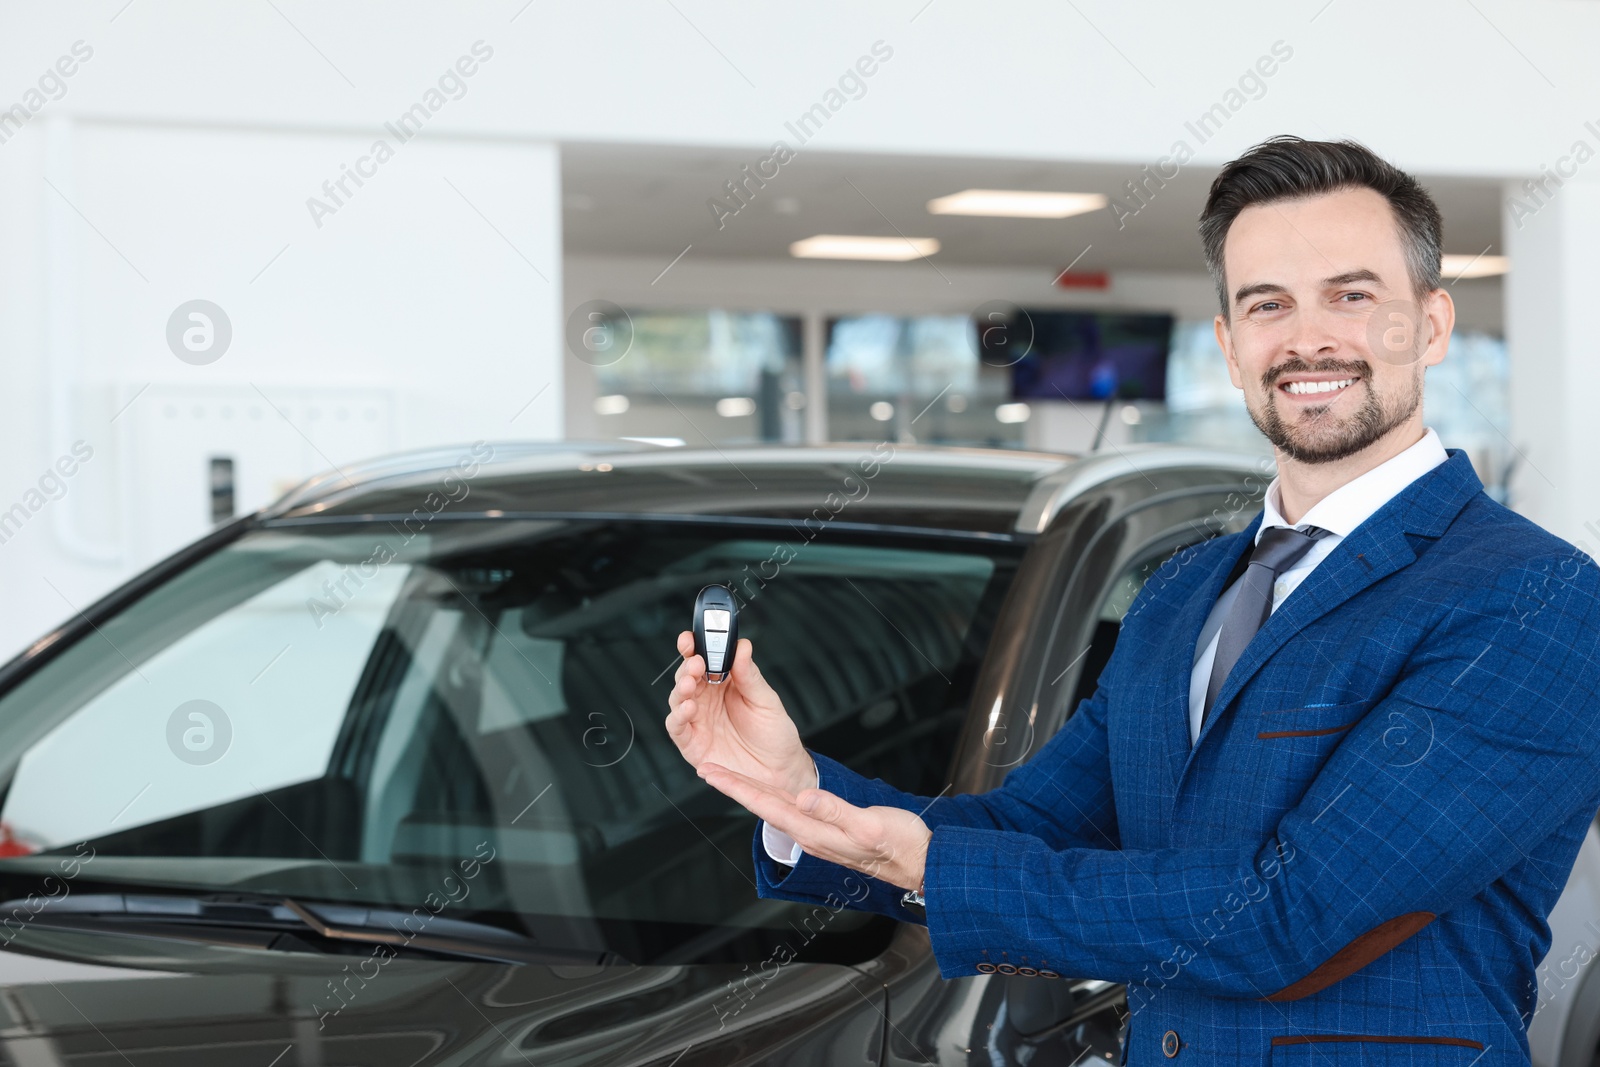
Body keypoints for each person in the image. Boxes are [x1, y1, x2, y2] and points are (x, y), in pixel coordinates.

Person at [665, 135, 1600, 1065]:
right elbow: (1031, 825)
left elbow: (1288, 919)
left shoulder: (1538, 599)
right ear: (1232, 348)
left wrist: (926, 865)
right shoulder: (1185, 592)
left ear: (1431, 326)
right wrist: (800, 795)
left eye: (1352, 296)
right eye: (1266, 303)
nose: (1308, 337)